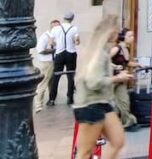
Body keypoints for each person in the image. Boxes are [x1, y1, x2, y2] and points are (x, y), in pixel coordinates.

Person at [73, 15, 134, 159]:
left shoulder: (102, 52)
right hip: (90, 105)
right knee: (85, 152)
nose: (118, 35)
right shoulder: (98, 53)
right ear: (109, 33)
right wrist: (117, 78)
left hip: (102, 103)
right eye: (115, 31)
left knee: (118, 141)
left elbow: (99, 69)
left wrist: (116, 69)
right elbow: (93, 82)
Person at [49, 11, 80, 106]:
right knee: (71, 76)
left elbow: (51, 42)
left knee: (56, 76)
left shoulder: (56, 29)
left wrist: (57, 43)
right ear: (72, 19)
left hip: (60, 53)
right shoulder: (74, 28)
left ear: (64, 18)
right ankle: (70, 98)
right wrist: (74, 41)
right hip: (71, 53)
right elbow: (77, 42)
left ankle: (52, 99)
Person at [110, 29, 137, 130]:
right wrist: (115, 67)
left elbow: (127, 63)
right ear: (123, 37)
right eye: (129, 36)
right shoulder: (117, 48)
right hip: (113, 78)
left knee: (124, 101)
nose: (132, 38)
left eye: (133, 36)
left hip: (122, 79)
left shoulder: (127, 49)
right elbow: (105, 60)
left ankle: (127, 123)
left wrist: (137, 65)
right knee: (113, 103)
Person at [34, 19, 58, 113]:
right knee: (43, 83)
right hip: (47, 62)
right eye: (56, 27)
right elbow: (40, 50)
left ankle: (51, 100)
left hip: (52, 61)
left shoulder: (54, 37)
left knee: (51, 83)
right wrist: (54, 50)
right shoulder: (45, 36)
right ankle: (38, 105)